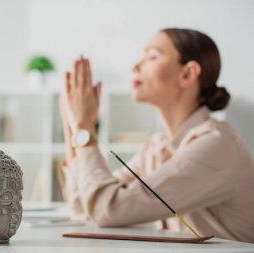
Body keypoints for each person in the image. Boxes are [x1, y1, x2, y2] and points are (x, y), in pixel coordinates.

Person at [59, 28, 254, 243]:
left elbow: (106, 209)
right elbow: (84, 207)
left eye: (151, 56)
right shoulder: (156, 146)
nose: (135, 66)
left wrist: (83, 125)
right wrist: (72, 124)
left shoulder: (217, 144)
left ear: (188, 74)